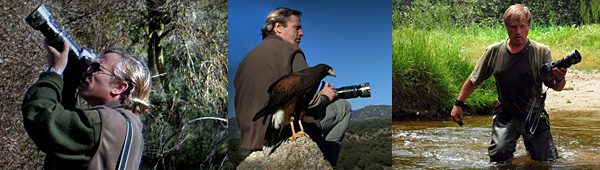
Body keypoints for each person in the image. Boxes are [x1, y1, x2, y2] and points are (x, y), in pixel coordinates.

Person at [234, 7, 352, 166]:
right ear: (278, 27)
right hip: (282, 128)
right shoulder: (291, 51)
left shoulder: (245, 61)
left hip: (251, 138)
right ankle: (325, 163)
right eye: (297, 28)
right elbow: (311, 101)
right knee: (343, 107)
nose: (301, 33)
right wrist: (325, 96)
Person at [451, 4, 566, 163]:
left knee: (548, 162)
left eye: (522, 26)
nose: (518, 31)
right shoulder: (494, 51)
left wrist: (560, 78)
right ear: (506, 27)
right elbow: (473, 79)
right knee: (498, 157)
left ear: (528, 26)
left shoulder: (541, 51)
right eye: (513, 27)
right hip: (506, 113)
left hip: (533, 115)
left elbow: (556, 86)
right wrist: (458, 104)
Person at [22, 41, 151, 169]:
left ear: (119, 87)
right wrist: (70, 82)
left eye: (96, 67)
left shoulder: (103, 122)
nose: (88, 69)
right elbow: (67, 139)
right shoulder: (131, 128)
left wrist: (54, 71)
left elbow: (40, 118)